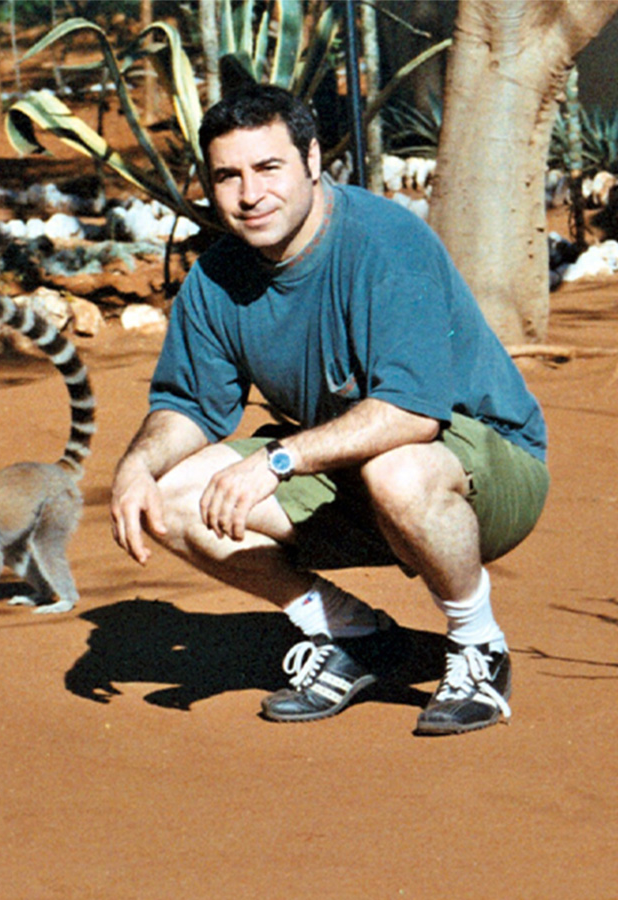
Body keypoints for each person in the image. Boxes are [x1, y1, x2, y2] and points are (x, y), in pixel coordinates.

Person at [109, 83, 549, 736]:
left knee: (397, 471)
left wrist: (280, 460)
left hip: (484, 467)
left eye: (268, 168)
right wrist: (136, 468)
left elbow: (412, 414)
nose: (249, 194)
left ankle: (477, 646)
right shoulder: (217, 277)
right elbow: (189, 407)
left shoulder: (385, 243)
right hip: (347, 467)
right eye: (227, 176)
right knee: (173, 498)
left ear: (313, 160)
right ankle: (353, 635)